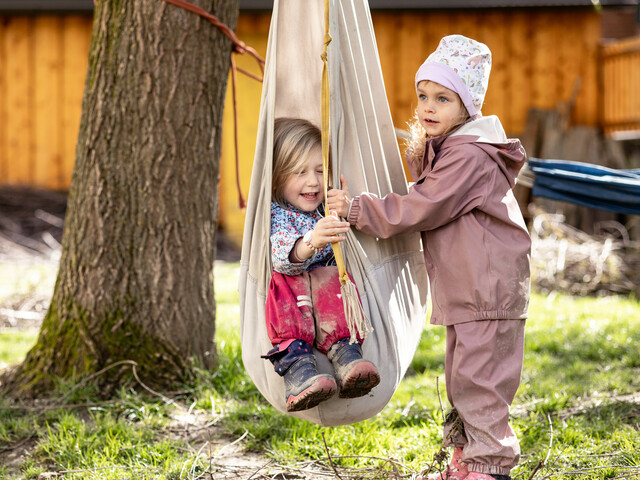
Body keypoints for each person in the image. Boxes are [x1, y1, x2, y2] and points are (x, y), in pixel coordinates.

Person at [327, 35, 530, 480]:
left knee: (481, 383)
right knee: (462, 380)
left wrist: (359, 209)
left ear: (468, 105)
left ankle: (489, 467)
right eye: (423, 95)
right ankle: (465, 461)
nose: (428, 106)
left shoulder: (470, 156)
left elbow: (424, 205)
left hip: (489, 287)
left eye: (443, 97)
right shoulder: (451, 149)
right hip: (469, 289)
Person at [263, 117, 381, 413]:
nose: (313, 181)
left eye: (319, 170)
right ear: (277, 177)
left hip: (330, 307)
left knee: (335, 275)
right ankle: (300, 372)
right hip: (295, 306)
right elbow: (282, 257)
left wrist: (344, 206)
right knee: (285, 284)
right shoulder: (277, 214)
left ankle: (347, 356)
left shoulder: (324, 207)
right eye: (299, 172)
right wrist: (312, 240)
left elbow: (353, 234)